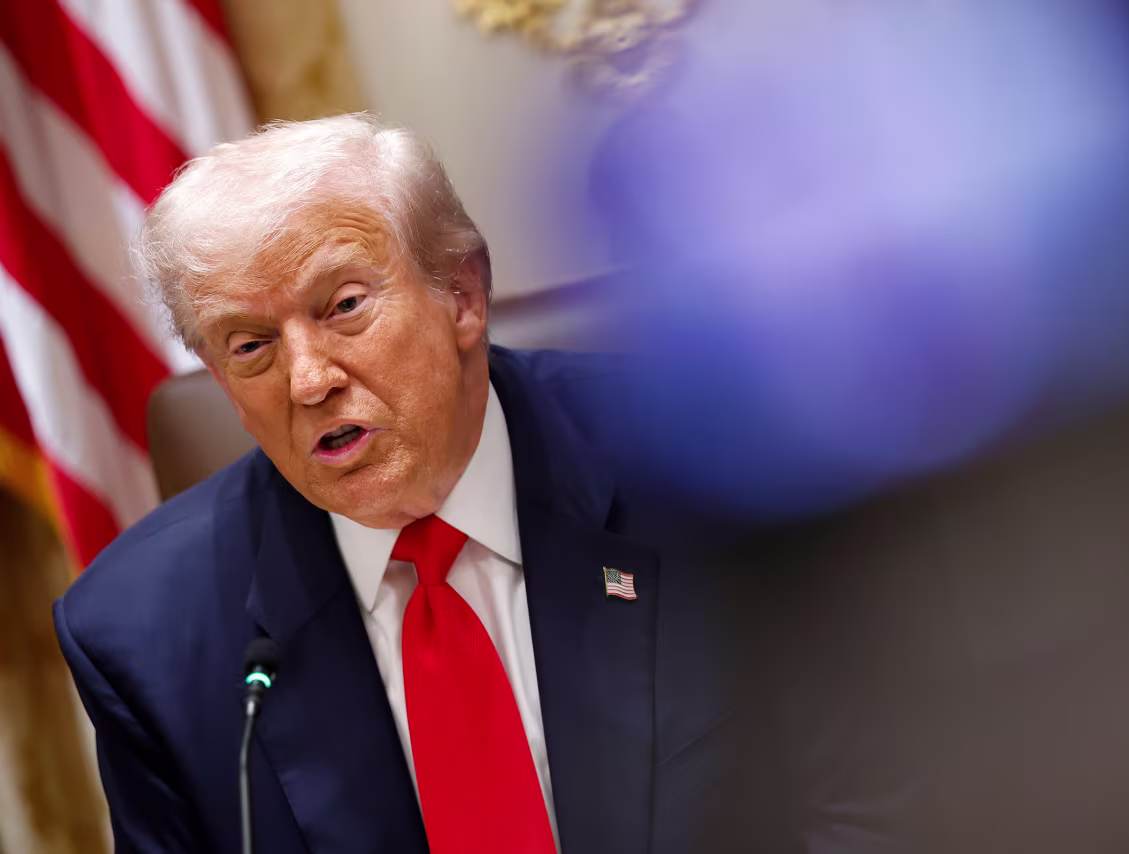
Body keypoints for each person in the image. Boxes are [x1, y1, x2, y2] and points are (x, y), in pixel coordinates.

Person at [54, 114, 914, 854]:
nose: (308, 380)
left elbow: (874, 809)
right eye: (250, 347)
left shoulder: (715, 462)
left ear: (462, 294)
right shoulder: (145, 639)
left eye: (344, 305)